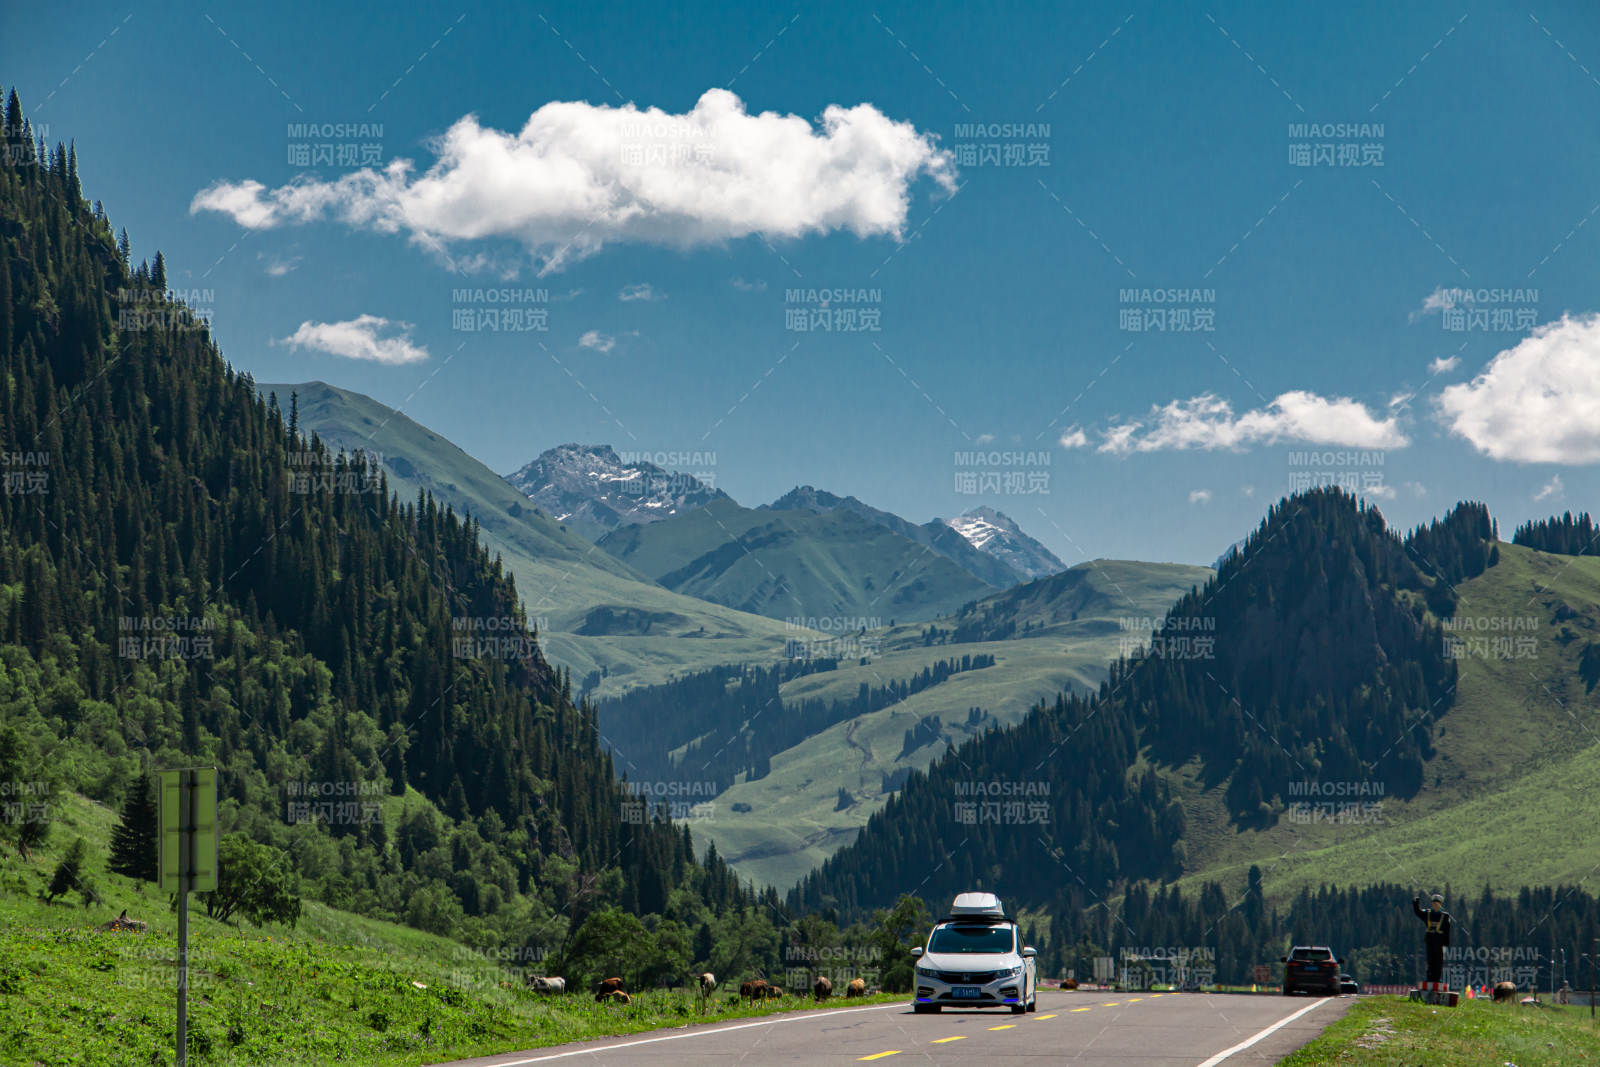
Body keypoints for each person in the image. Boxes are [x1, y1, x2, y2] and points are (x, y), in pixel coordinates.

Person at [1411, 892, 1452, 984]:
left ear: (1440, 905)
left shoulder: (1445, 916)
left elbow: (1447, 931)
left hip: (1439, 941)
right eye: (1434, 903)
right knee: (1430, 960)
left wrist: (1446, 945)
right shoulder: (1427, 913)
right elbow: (1418, 912)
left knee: (1438, 961)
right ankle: (1430, 978)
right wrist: (1415, 903)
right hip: (1430, 940)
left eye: (1437, 904)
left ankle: (1437, 978)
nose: (1435, 905)